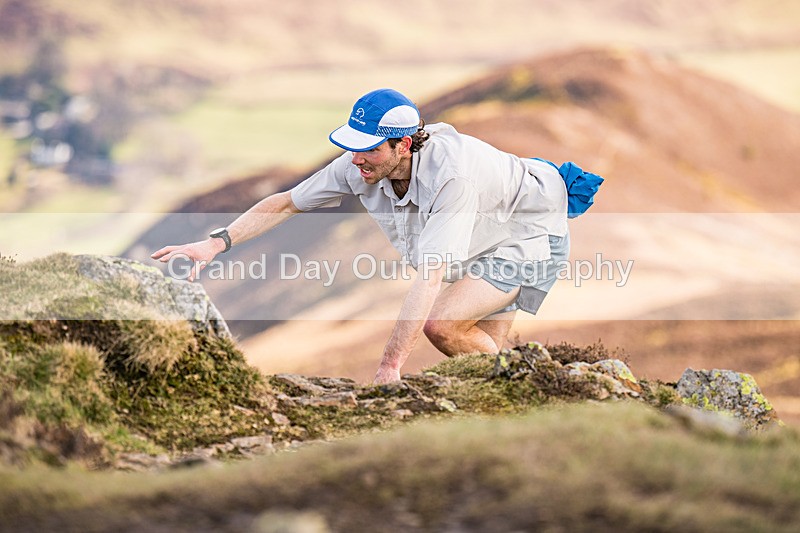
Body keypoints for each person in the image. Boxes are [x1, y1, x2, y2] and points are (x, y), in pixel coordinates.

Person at [152, 88, 578, 384]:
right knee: (484, 357)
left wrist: (389, 367)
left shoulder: (454, 177)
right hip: (489, 230)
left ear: (404, 145)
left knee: (443, 327)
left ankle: (543, 389)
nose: (357, 159)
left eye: (371, 148)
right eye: (355, 146)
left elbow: (430, 277)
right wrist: (212, 243)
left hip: (531, 230)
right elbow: (285, 203)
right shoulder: (359, 163)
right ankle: (538, 396)